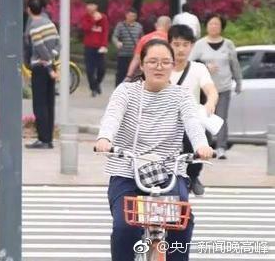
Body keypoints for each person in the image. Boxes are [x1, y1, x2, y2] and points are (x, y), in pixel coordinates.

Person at [95, 38, 213, 261]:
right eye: (152, 61)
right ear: (141, 64)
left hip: (168, 172)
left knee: (182, 223)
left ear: (172, 66)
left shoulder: (181, 95)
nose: (159, 67)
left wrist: (201, 145)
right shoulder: (126, 92)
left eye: (165, 62)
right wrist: (105, 138)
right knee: (125, 227)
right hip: (126, 171)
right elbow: (112, 116)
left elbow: (192, 123)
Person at [168, 24, 218, 196]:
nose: (181, 49)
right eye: (176, 44)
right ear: (169, 44)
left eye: (185, 44)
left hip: (191, 120)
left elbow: (211, 89)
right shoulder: (161, 68)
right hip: (165, 121)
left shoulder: (198, 68)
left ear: (192, 46)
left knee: (201, 143)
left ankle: (193, 176)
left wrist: (210, 102)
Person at [191, 13, 242, 159]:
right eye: (211, 24)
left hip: (223, 87)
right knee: (205, 117)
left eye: (217, 24)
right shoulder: (200, 44)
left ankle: (221, 147)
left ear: (222, 27)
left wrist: (238, 82)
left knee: (221, 117)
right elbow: (190, 63)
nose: (214, 26)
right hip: (204, 89)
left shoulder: (228, 44)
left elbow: (235, 64)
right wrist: (205, 66)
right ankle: (206, 146)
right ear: (206, 26)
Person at [24, 0, 60, 149]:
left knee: (39, 104)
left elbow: (39, 47)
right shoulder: (50, 23)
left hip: (40, 67)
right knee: (49, 103)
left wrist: (47, 62)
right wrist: (52, 59)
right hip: (51, 67)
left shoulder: (34, 26)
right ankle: (49, 138)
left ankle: (43, 139)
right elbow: (58, 43)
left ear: (29, 10)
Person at [80, 0, 109, 96]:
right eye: (89, 5)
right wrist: (93, 20)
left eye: (92, 5)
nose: (90, 7)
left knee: (102, 69)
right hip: (89, 46)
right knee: (89, 70)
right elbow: (85, 28)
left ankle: (97, 83)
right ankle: (93, 88)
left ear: (96, 6)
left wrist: (104, 45)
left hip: (100, 47)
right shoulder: (85, 17)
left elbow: (105, 32)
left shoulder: (103, 17)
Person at [112, 8, 143, 87]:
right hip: (123, 54)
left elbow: (142, 38)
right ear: (126, 15)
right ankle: (118, 88)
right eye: (130, 15)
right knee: (121, 73)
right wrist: (117, 43)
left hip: (134, 55)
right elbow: (115, 36)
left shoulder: (139, 26)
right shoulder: (120, 25)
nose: (131, 17)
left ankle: (131, 89)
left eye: (133, 16)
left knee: (134, 73)